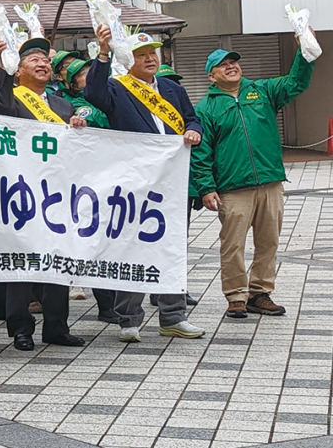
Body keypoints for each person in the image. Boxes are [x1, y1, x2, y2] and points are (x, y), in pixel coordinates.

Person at [84, 30, 205, 341]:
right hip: (133, 182)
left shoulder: (171, 88)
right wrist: (102, 54)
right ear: (128, 61)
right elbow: (93, 95)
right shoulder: (116, 88)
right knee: (131, 247)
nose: (150, 58)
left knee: (171, 247)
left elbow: (192, 119)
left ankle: (173, 315)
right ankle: (128, 319)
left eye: (153, 53)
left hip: (172, 182)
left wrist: (193, 131)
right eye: (141, 54)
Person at [193, 37, 315, 319]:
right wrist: (206, 188)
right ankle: (236, 296)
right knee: (233, 243)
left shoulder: (262, 90)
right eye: (222, 65)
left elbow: (296, 82)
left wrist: (305, 51)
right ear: (211, 76)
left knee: (268, 241)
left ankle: (259, 293)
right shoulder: (205, 108)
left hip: (270, 182)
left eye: (233, 62)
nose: (231, 67)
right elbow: (201, 154)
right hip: (233, 188)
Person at [0, 36, 89, 351]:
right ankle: (20, 328)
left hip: (57, 192)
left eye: (46, 61)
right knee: (22, 259)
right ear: (18, 72)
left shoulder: (62, 104)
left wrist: (76, 125)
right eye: (34, 61)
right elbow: (1, 108)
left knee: (57, 257)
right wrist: (4, 72)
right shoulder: (11, 97)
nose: (43, 64)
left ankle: (56, 326)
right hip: (20, 191)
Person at [60, 59, 109, 129]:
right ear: (74, 86)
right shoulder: (77, 103)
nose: (91, 74)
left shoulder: (111, 91)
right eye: (84, 72)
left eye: (92, 70)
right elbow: (101, 120)